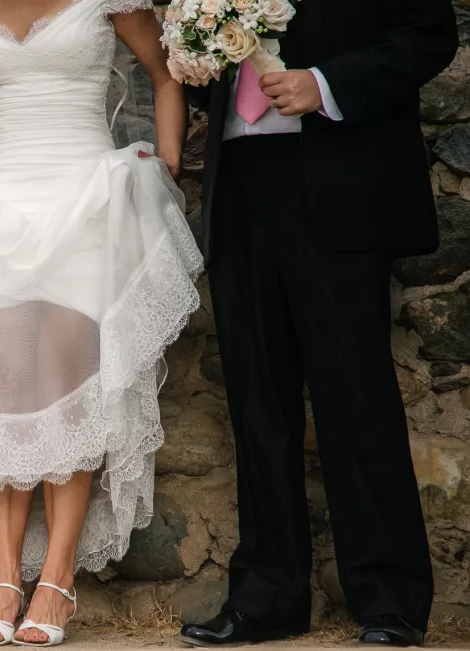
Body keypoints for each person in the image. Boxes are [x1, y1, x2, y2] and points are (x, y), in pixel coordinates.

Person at [0, 0, 203, 645]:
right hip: (4, 201)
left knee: (67, 371)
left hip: (87, 199)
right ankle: (6, 582)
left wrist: (167, 161)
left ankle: (57, 582)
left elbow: (165, 72)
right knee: (3, 379)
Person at [177, 0, 458, 647]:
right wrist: (196, 58)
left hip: (340, 173)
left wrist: (325, 84)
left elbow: (430, 33)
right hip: (240, 182)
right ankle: (267, 596)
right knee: (255, 398)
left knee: (355, 393)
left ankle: (389, 597)